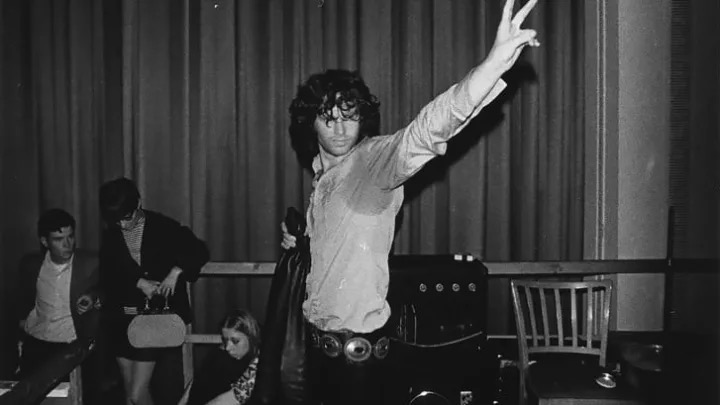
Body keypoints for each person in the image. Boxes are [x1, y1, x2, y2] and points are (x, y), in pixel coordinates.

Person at [281, 0, 540, 403]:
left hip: (358, 368)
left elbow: (429, 128)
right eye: (328, 117)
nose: (340, 128)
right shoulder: (322, 180)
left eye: (349, 116)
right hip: (316, 359)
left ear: (363, 118)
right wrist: (301, 244)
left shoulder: (374, 162)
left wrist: (492, 66)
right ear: (310, 123)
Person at [99, 177, 210, 405]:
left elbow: (200, 251)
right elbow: (107, 274)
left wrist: (175, 272)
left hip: (153, 320)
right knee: (130, 395)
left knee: (136, 394)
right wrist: (139, 282)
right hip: (121, 320)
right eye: (116, 220)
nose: (123, 225)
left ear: (138, 204)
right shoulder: (111, 233)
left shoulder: (163, 227)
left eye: (127, 218)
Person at [16, 208, 102, 399]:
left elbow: (110, 289)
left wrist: (94, 297)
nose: (67, 244)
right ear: (44, 241)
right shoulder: (31, 265)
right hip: (37, 343)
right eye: (58, 239)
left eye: (70, 236)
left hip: (71, 347)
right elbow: (22, 302)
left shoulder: (90, 263)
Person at [182, 309, 260, 405]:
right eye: (225, 340)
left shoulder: (260, 362)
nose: (228, 347)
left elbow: (234, 397)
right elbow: (195, 382)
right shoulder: (219, 355)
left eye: (235, 341)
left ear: (251, 337)